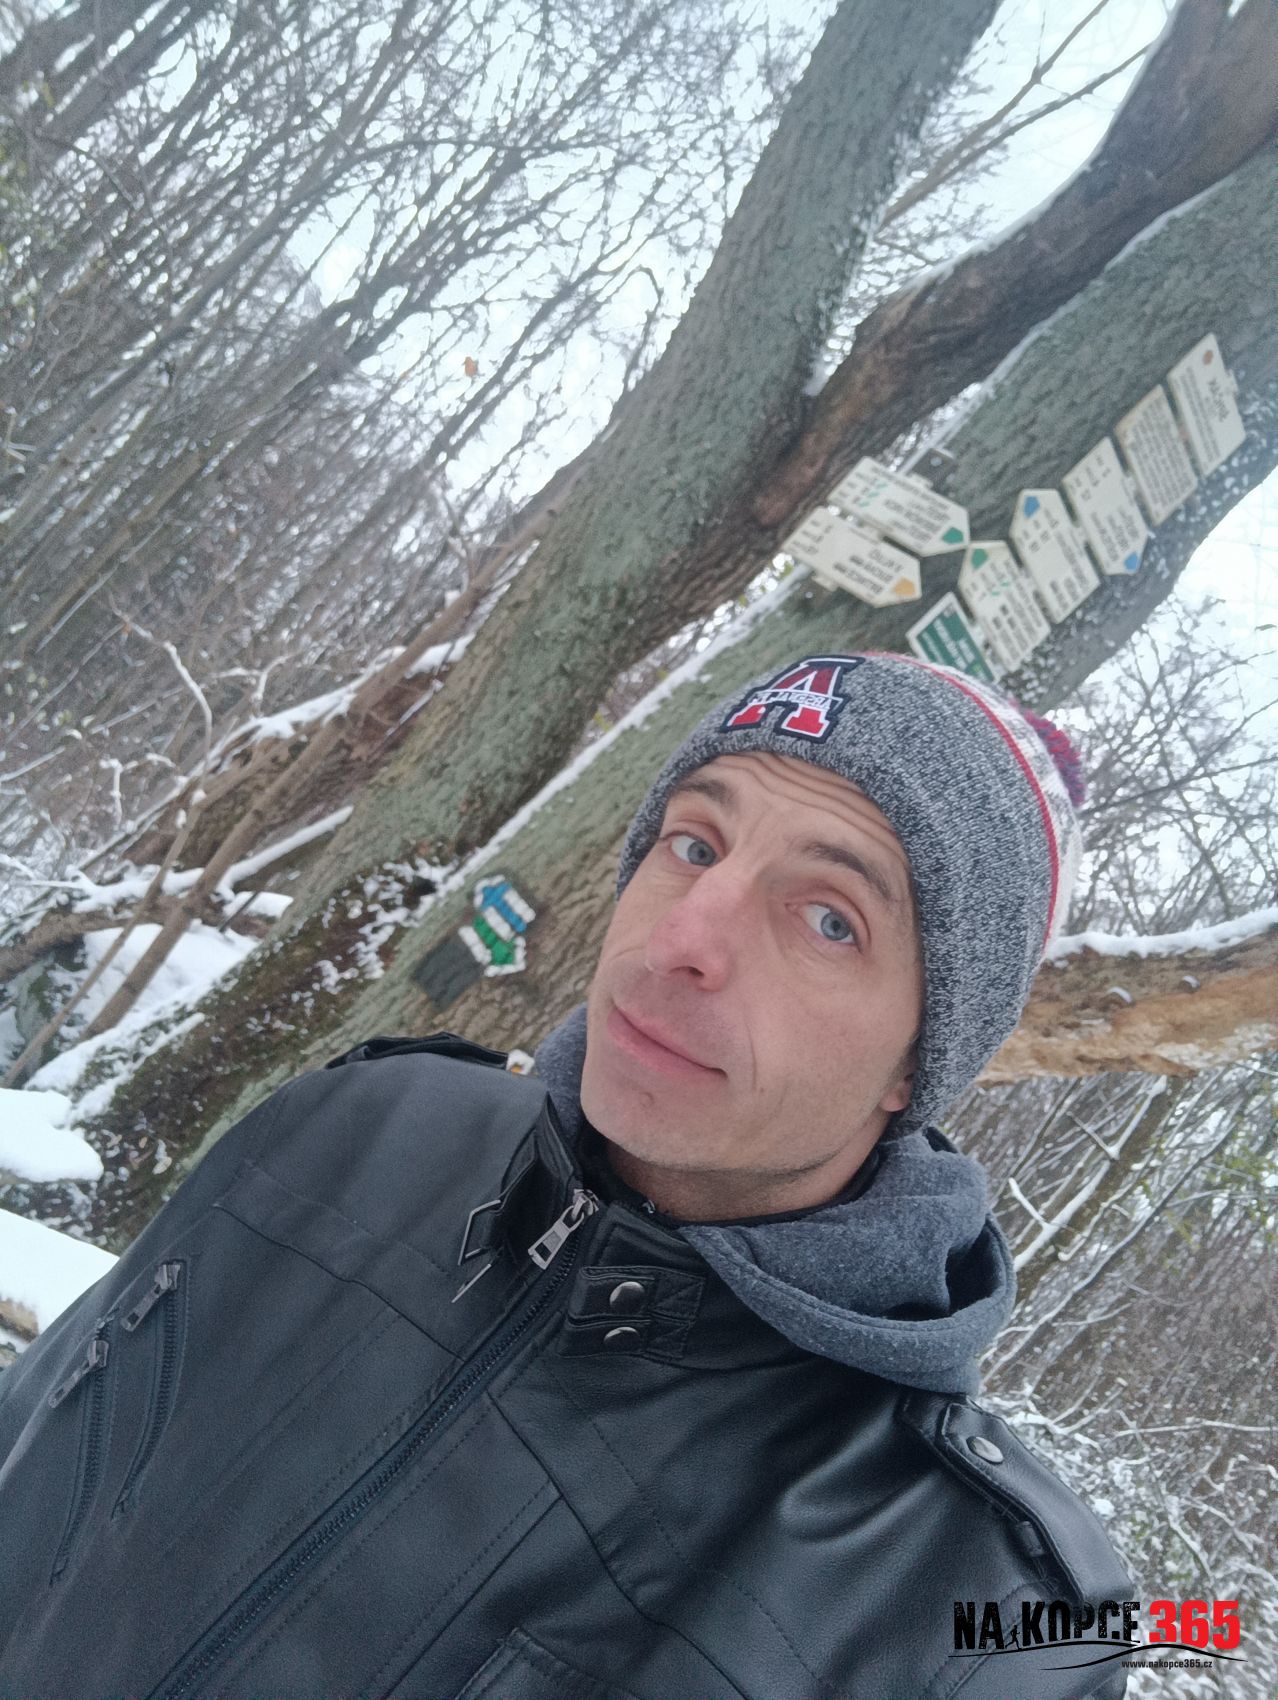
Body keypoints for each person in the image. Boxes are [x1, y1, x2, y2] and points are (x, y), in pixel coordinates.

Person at [0, 651, 1134, 1699]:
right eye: (695, 845)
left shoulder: (972, 1623)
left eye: (830, 919)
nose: (683, 937)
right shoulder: (352, 1123)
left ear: (917, 1063)